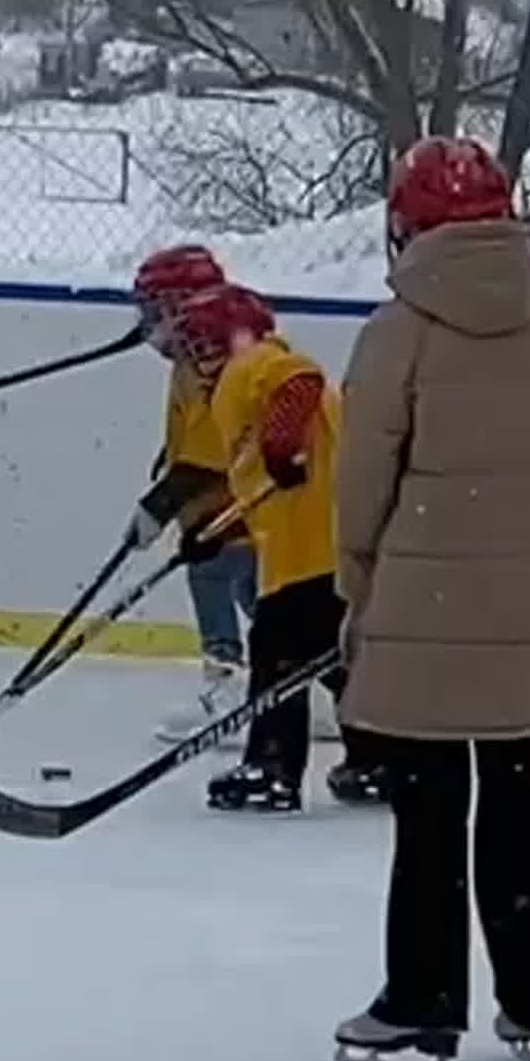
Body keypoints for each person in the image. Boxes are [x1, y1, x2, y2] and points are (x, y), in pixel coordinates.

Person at [329, 137, 530, 1061]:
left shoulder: (398, 330)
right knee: (528, 809)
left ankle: (423, 996)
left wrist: (361, 580)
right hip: (527, 605)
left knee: (429, 813)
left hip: (424, 602)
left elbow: (362, 477)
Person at [179, 288, 394, 812]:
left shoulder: (253, 363)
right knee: (330, 657)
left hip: (308, 550)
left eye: (197, 344)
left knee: (277, 653)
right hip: (325, 544)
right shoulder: (244, 378)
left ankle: (272, 769)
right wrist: (217, 533)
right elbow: (268, 486)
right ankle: (380, 759)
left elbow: (299, 382)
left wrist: (280, 443)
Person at [126, 243, 256, 740]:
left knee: (218, 579)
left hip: (236, 504)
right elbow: (194, 426)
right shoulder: (197, 350)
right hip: (224, 503)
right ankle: (302, 682)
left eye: (153, 310)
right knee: (256, 593)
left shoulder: (213, 353)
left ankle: (227, 681)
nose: (147, 324)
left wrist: (160, 504)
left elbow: (212, 449)